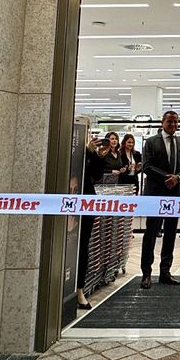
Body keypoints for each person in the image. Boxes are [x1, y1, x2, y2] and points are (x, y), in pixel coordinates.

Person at [139, 111, 180, 289]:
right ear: (163, 122)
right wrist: (167, 178)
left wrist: (178, 178)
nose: (173, 125)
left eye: (176, 122)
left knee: (170, 233)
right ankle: (146, 273)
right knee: (151, 233)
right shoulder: (151, 142)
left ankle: (165, 272)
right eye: (170, 122)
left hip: (176, 195)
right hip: (155, 195)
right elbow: (147, 166)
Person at [74, 133, 108, 310]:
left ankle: (79, 289)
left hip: (86, 202)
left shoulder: (91, 152)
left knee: (82, 246)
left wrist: (95, 154)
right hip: (68, 200)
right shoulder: (70, 148)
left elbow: (97, 175)